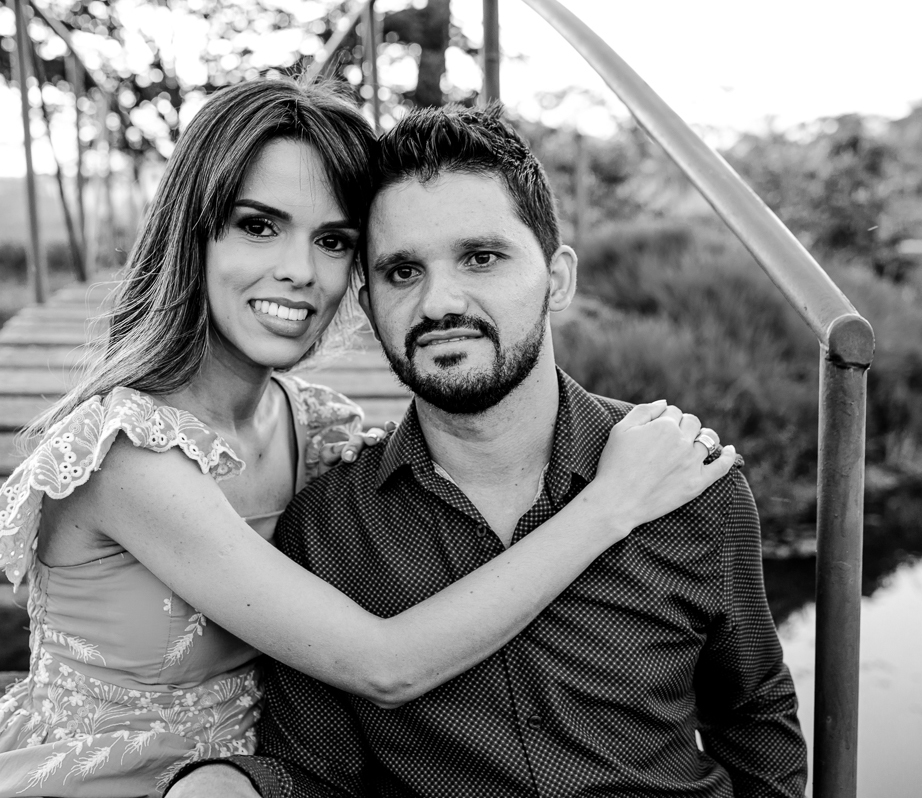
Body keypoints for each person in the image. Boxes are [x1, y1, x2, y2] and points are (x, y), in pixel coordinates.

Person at [0, 81, 734, 798]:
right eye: (259, 226)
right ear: (193, 235)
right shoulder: (128, 455)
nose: (300, 271)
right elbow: (383, 665)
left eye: (334, 240)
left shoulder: (313, 426)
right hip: (109, 782)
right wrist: (610, 503)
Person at [166, 104, 807, 798]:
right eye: (402, 271)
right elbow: (316, 775)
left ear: (558, 278)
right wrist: (225, 784)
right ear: (369, 302)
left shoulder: (686, 480)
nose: (439, 303)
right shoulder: (326, 530)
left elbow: (753, 717)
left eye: (481, 258)